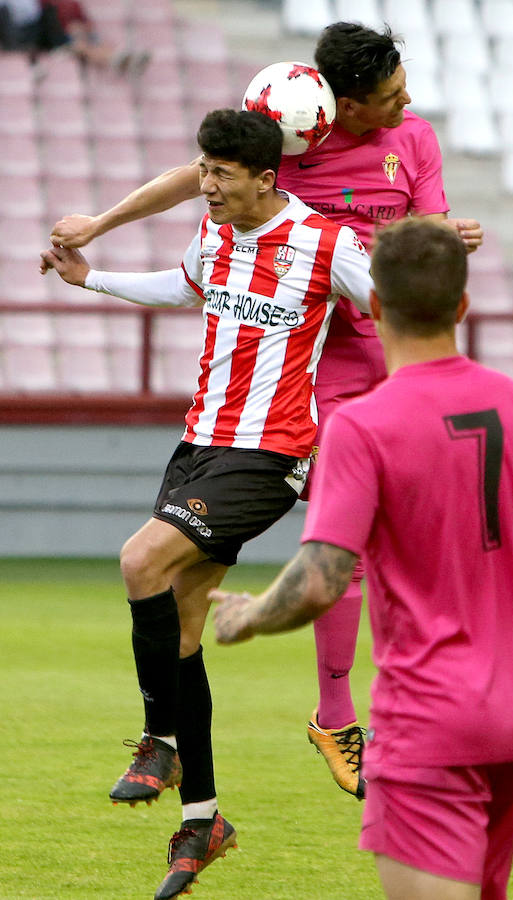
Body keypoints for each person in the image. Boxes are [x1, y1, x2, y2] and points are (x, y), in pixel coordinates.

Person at [49, 22, 484, 801]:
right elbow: (189, 225)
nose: (406, 101)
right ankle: (221, 794)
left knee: (356, 541)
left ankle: (327, 719)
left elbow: (413, 266)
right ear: (338, 109)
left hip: (322, 399)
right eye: (388, 94)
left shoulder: (385, 169)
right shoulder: (257, 178)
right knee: (227, 589)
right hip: (258, 411)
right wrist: (98, 252)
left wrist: (441, 255)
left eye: (223, 174)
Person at [210, 218, 513, 900]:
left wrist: (249, 616)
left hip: (429, 720)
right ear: (462, 307)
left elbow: (320, 581)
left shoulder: (363, 424)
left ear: (372, 308)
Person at [40, 108, 373, 900]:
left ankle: (159, 740)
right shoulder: (215, 235)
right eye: (204, 169)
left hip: (273, 453)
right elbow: (185, 288)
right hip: (198, 448)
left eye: (221, 174)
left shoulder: (328, 243)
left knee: (139, 558)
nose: (207, 185)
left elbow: (398, 310)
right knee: (184, 631)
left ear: (266, 177)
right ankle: (204, 821)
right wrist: (96, 280)